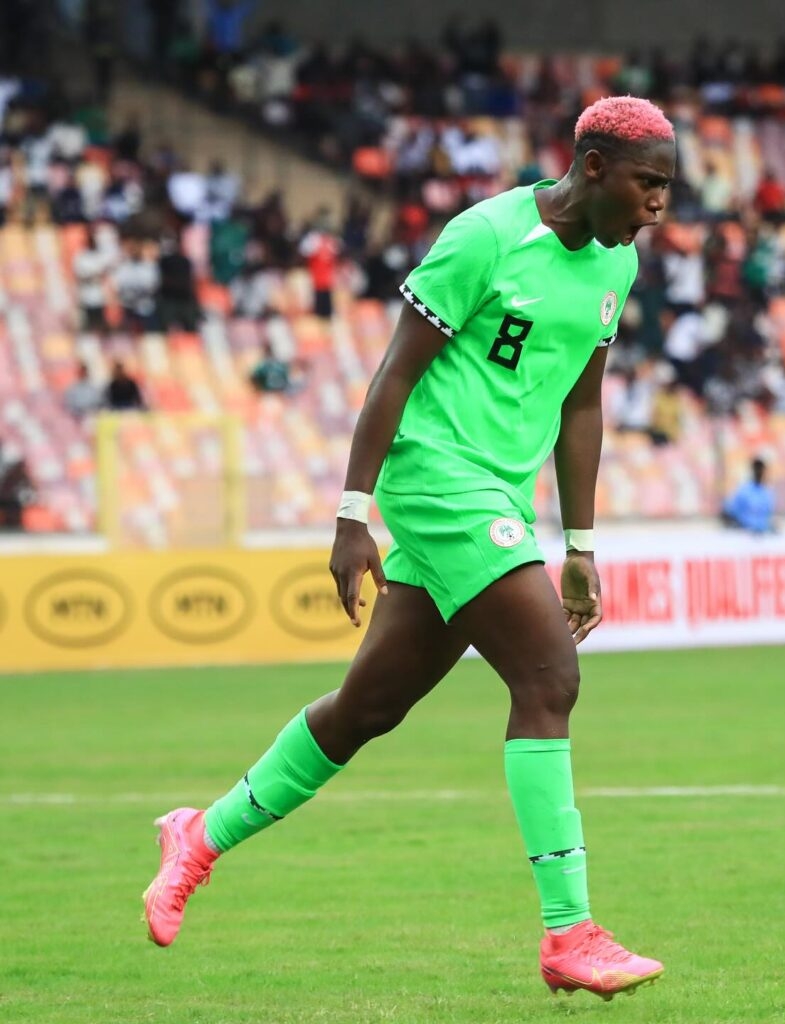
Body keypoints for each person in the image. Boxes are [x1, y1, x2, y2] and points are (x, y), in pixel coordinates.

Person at [143, 95, 675, 1000]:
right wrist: (353, 511)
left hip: (499, 493)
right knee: (548, 678)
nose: (660, 204)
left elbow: (582, 405)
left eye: (668, 187)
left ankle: (199, 835)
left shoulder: (614, 266)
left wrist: (579, 541)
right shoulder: (486, 237)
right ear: (592, 167)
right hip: (435, 479)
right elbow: (396, 371)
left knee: (365, 708)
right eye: (647, 183)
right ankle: (569, 932)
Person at [722, 456, 776, 533]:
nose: (760, 472)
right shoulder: (743, 490)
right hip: (745, 533)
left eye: (761, 470)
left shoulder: (767, 492)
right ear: (753, 470)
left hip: (762, 533)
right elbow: (729, 512)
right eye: (757, 469)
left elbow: (767, 515)